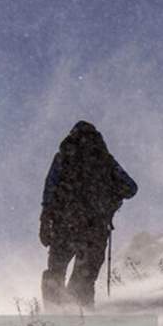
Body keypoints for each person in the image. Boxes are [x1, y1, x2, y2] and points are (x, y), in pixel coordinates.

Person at [39, 121, 137, 308]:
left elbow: (49, 190)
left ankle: (52, 316)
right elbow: (131, 188)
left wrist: (45, 219)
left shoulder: (63, 158)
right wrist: (110, 197)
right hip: (95, 229)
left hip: (65, 225)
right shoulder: (106, 161)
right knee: (84, 279)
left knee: (55, 272)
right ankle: (83, 318)